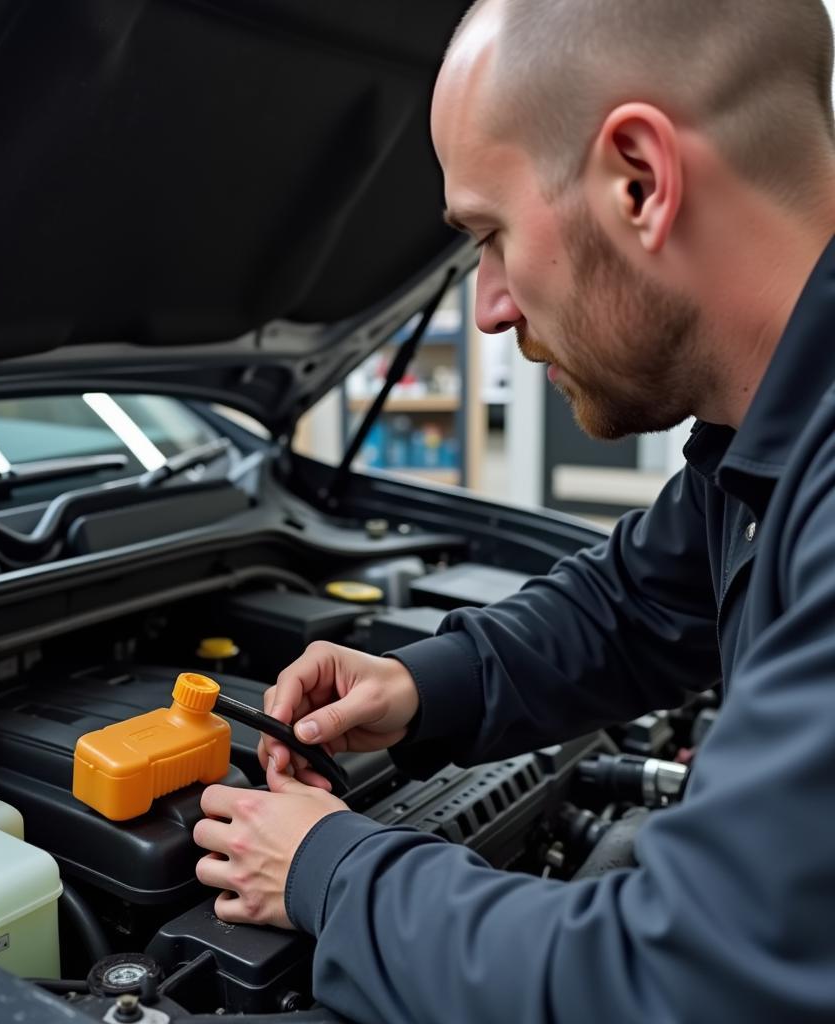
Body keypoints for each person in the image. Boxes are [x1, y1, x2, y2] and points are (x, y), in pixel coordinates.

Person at [193, 1, 835, 1020]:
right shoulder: (774, 435)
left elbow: (687, 976)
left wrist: (328, 869)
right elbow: (640, 601)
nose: (487, 304)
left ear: (639, 179)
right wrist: (420, 686)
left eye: (489, 235)